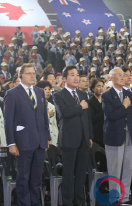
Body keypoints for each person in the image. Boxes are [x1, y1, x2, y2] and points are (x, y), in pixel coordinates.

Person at [4, 63, 50, 206]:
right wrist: (11, 143)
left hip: (40, 142)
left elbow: (43, 116)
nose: (32, 76)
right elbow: (8, 120)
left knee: (37, 178)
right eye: (28, 73)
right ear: (20, 76)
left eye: (33, 73)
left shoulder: (40, 92)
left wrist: (46, 137)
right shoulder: (12, 93)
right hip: (22, 142)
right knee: (23, 178)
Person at [53, 65, 93, 206]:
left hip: (83, 139)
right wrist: (80, 107)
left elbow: (87, 118)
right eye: (72, 75)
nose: (76, 78)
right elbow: (64, 113)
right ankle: (67, 202)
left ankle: (80, 201)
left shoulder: (82, 94)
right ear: (64, 79)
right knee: (69, 174)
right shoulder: (58, 95)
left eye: (77, 75)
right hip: (69, 139)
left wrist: (89, 136)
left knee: (81, 173)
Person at [101, 67, 132, 205]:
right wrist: (124, 106)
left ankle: (125, 197)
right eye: (119, 75)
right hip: (114, 136)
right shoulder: (106, 95)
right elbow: (112, 115)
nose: (123, 77)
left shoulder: (129, 93)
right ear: (112, 78)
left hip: (128, 135)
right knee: (115, 168)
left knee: (127, 167)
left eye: (124, 75)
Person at [36, 80, 58, 146]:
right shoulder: (35, 105)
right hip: (42, 138)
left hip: (53, 138)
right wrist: (48, 115)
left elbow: (54, 124)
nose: (48, 91)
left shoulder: (52, 106)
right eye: (45, 89)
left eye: (49, 89)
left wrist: (57, 139)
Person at [88, 79, 105, 148]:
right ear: (93, 89)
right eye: (98, 86)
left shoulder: (106, 101)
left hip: (107, 131)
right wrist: (104, 111)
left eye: (102, 86)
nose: (101, 88)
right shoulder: (90, 102)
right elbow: (92, 118)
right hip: (97, 132)